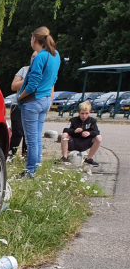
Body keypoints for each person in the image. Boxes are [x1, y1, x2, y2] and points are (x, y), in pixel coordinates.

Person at [17, 27, 61, 178]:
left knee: (31, 139)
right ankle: (35, 167)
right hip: (45, 100)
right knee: (37, 137)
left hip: (32, 101)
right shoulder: (55, 55)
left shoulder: (40, 57)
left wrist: (20, 97)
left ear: (34, 39)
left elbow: (33, 83)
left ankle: (29, 171)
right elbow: (54, 79)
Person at [8, 51, 37, 159]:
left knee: (28, 133)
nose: (34, 58)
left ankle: (26, 157)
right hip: (18, 104)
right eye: (32, 56)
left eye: (36, 57)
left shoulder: (43, 72)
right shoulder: (24, 70)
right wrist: (26, 81)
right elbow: (13, 86)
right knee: (18, 131)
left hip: (34, 104)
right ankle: (10, 155)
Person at [61, 101, 102, 167]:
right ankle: (64, 157)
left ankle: (89, 159)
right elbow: (65, 129)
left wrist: (89, 133)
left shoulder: (92, 121)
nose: (84, 116)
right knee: (65, 135)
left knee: (99, 137)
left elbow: (97, 132)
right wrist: (74, 131)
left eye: (86, 113)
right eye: (82, 113)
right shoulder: (73, 120)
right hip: (73, 142)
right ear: (79, 113)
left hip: (85, 142)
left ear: (90, 113)